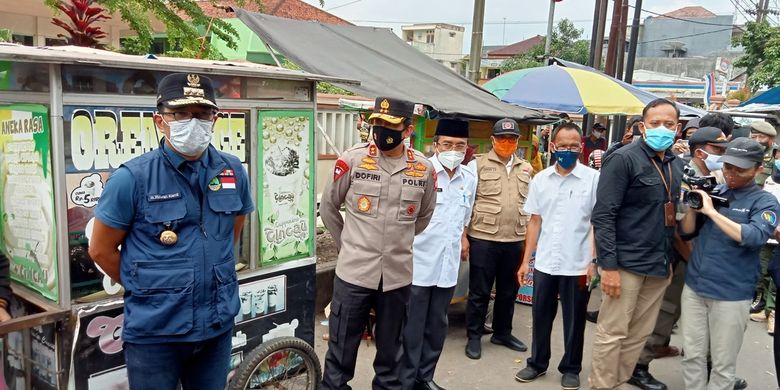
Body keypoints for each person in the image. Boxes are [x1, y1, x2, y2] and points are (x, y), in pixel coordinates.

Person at [88, 73, 254, 390]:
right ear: (160, 120)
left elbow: (231, 233)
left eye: (203, 113)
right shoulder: (132, 179)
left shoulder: (232, 171)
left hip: (215, 327)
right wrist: (150, 285)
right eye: (180, 113)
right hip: (156, 333)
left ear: (215, 118)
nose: (193, 122)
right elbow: (100, 250)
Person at [319, 97, 437, 389]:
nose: (381, 130)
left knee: (391, 356)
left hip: (396, 278)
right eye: (376, 123)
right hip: (353, 274)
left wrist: (396, 241)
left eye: (390, 125)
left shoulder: (423, 169)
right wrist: (348, 245)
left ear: (408, 130)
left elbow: (422, 217)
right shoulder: (353, 159)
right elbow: (329, 208)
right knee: (340, 351)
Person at [589, 98, 683, 390]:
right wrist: (609, 267)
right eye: (655, 123)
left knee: (639, 334)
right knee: (613, 332)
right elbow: (603, 215)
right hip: (625, 263)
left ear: (678, 128)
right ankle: (601, 386)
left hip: (658, 264)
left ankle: (618, 381)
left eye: (669, 124)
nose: (662, 129)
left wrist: (669, 263)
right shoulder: (624, 159)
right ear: (643, 126)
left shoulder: (675, 164)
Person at [628, 126, 729, 390]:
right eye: (718, 149)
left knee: (701, 316)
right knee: (666, 311)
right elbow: (678, 229)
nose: (723, 155)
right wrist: (695, 261)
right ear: (701, 151)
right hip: (684, 255)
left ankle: (710, 368)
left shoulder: (716, 175)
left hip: (703, 256)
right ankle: (639, 366)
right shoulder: (685, 176)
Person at [679, 138, 780, 390]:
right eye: (728, 167)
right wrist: (694, 206)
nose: (731, 174)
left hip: (731, 294)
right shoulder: (717, 191)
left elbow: (754, 236)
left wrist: (712, 212)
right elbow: (687, 233)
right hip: (695, 287)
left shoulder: (765, 202)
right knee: (692, 357)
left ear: (758, 169)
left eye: (740, 169)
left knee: (723, 366)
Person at [513, 122, 599, 390]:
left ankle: (571, 367)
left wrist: (593, 261)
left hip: (578, 263)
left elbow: (598, 223)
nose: (568, 150)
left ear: (581, 148)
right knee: (541, 315)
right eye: (563, 146)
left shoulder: (593, 180)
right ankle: (537, 363)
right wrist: (526, 260)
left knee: (575, 319)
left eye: (573, 146)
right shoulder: (541, 180)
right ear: (553, 147)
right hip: (546, 262)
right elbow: (535, 222)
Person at [400, 119, 476, 390]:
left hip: (447, 264)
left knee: (437, 326)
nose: (453, 150)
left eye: (460, 145)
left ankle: (425, 377)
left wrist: (464, 237)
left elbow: (463, 217)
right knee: (411, 327)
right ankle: (405, 380)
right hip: (418, 264)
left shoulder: (469, 177)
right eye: (447, 144)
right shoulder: (421, 172)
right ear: (435, 145)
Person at [465, 118, 532, 360]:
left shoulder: (525, 168)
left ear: (517, 141)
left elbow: (531, 205)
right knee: (479, 291)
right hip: (484, 238)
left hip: (515, 238)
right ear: (492, 140)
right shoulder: (477, 165)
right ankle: (473, 335)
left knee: (508, 291)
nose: (507, 142)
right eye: (502, 138)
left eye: (511, 139)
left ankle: (502, 333)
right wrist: (464, 236)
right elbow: (466, 202)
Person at [749, 121, 779, 331]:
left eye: (762, 137)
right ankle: (762, 302)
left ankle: (771, 310)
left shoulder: (771, 162)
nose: (758, 141)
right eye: (755, 136)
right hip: (762, 221)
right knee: (764, 266)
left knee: (773, 270)